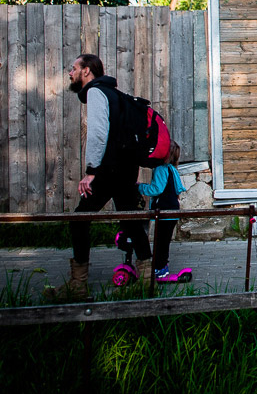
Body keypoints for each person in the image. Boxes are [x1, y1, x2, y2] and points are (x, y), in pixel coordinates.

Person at [47, 54, 153, 300]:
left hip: (109, 169)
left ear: (86, 71)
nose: (70, 73)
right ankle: (147, 283)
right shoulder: (115, 94)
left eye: (73, 68)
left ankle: (78, 285)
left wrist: (91, 172)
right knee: (131, 220)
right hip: (128, 169)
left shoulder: (96, 92)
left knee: (79, 220)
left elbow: (97, 134)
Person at [140, 140, 186, 280]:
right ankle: (161, 266)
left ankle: (160, 269)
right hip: (173, 209)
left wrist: (140, 186)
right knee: (164, 240)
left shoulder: (161, 169)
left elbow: (156, 189)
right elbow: (179, 188)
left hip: (164, 210)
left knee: (160, 241)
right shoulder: (172, 169)